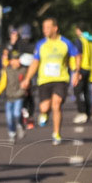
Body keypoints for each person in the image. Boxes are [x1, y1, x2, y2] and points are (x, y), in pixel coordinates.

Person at [21, 16, 80, 145]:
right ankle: (45, 114)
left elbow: (76, 55)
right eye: (43, 27)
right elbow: (35, 62)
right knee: (44, 107)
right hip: (44, 80)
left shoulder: (65, 42)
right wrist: (27, 79)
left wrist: (76, 72)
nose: (45, 30)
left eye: (48, 27)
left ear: (55, 28)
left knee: (56, 104)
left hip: (61, 79)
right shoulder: (41, 44)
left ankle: (56, 133)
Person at [0, 52, 28, 140]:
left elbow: (28, 81)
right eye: (15, 60)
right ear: (11, 61)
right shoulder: (7, 70)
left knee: (17, 113)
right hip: (9, 96)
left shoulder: (24, 70)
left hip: (19, 95)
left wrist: (26, 88)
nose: (17, 61)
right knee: (9, 117)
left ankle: (20, 125)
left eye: (18, 59)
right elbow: (3, 83)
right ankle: (12, 132)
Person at [72, 25, 92, 123]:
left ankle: (82, 112)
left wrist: (77, 71)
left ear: (78, 30)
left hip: (81, 68)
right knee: (87, 92)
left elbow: (78, 55)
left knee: (78, 92)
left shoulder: (80, 40)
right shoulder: (90, 41)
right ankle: (88, 112)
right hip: (90, 69)